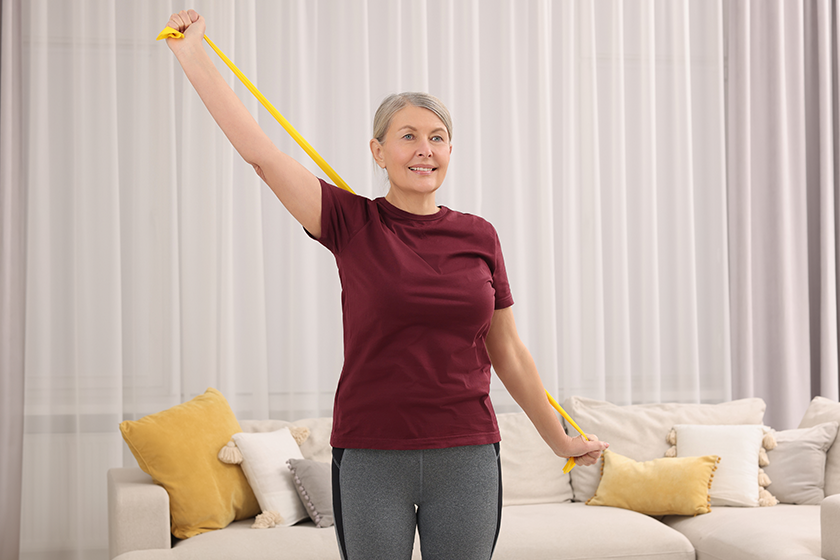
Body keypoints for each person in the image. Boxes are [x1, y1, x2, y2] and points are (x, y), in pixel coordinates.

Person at [164, 10, 608, 560]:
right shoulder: (351, 223)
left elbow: (509, 351)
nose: (426, 148)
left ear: (449, 152)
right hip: (372, 453)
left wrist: (557, 439)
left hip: (466, 452)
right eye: (409, 136)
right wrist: (191, 54)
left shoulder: (479, 236)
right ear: (378, 152)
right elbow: (260, 153)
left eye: (438, 138)